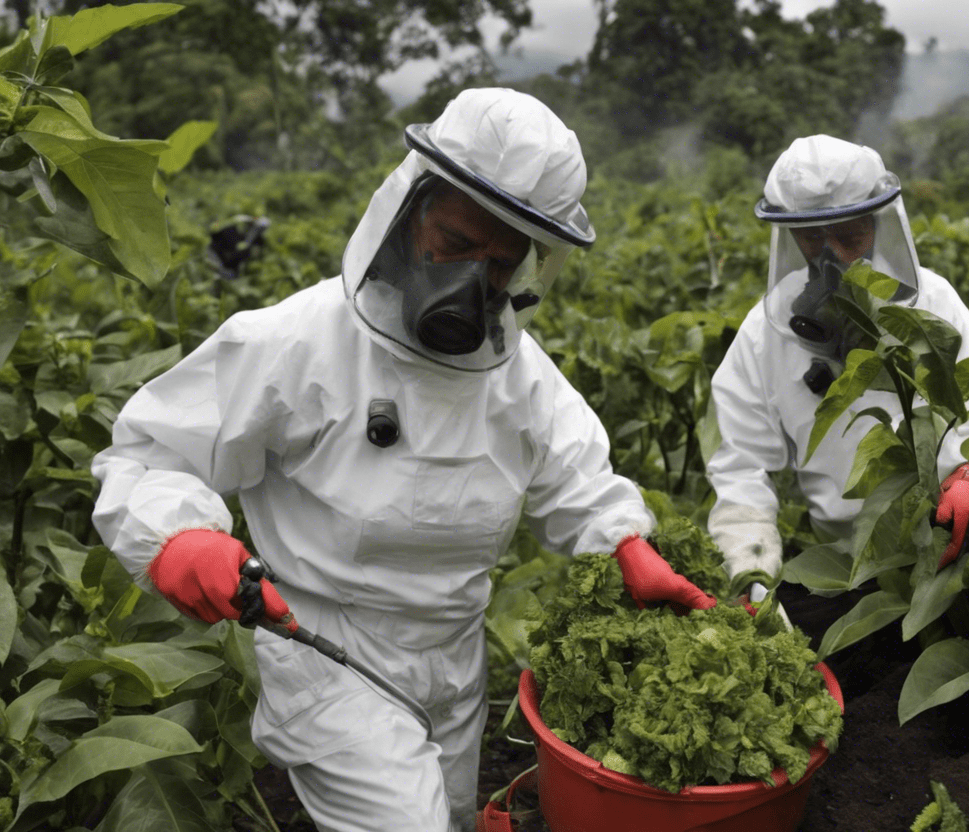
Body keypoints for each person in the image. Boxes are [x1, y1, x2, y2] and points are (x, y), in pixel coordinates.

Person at [91, 88, 713, 832]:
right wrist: (177, 537)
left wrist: (624, 543)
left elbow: (576, 476)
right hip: (326, 654)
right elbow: (149, 454)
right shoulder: (297, 342)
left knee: (446, 816)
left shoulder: (517, 376)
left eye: (500, 262)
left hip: (455, 663)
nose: (472, 281)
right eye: (455, 244)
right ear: (409, 212)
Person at [705, 135, 969, 634]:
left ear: (879, 224)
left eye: (849, 235)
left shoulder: (933, 306)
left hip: (950, 552)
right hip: (845, 567)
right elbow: (738, 464)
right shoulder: (765, 334)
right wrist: (750, 569)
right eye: (813, 238)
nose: (831, 257)